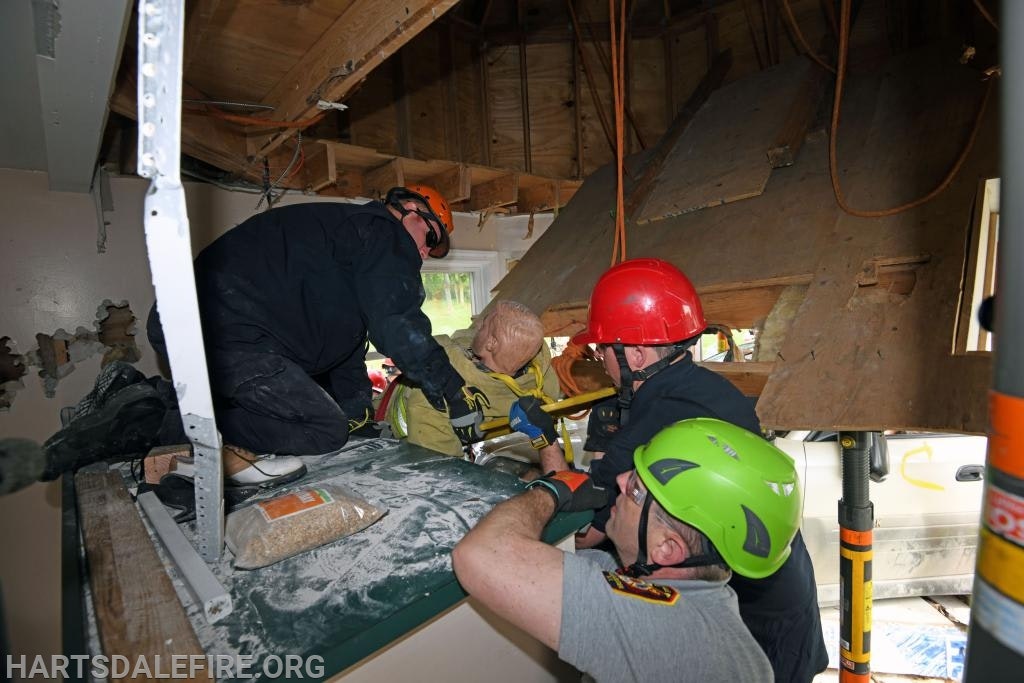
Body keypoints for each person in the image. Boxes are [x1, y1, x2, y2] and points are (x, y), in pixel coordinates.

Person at [507, 258, 828, 682]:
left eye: (604, 347)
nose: (600, 359)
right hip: (782, 600)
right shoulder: (707, 389)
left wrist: (545, 445)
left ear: (635, 353)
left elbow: (584, 536)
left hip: (746, 633)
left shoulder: (654, 425)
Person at [145, 185, 490, 486]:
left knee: (334, 422)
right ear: (409, 211)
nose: (427, 252)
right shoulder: (384, 233)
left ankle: (192, 418)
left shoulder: (345, 243)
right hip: (227, 328)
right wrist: (452, 389)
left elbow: (346, 350)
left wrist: (360, 417)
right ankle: (189, 432)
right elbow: (397, 323)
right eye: (431, 237)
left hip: (195, 324)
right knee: (325, 429)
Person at [454, 418, 805, 682]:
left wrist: (550, 490)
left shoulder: (668, 631)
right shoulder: (692, 599)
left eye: (636, 490)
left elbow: (482, 556)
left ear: (667, 549)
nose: (621, 480)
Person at [386, 300, 560, 457]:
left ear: (491, 344)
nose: (478, 326)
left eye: (484, 324)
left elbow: (436, 467)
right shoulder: (544, 381)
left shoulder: (437, 388)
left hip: (393, 441)